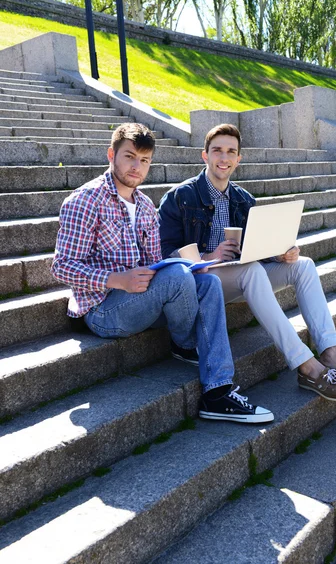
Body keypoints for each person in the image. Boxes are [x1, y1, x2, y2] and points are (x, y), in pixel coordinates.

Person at [51, 122, 273, 424]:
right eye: (129, 157)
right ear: (111, 155)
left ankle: (218, 392)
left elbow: (158, 263)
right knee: (182, 277)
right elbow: (62, 266)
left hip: (144, 299)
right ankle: (185, 343)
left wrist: (194, 265)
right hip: (103, 310)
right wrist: (117, 280)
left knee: (206, 281)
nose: (136, 166)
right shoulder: (84, 201)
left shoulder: (144, 205)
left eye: (144, 160)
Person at [158, 123, 336, 403]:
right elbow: (165, 251)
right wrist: (206, 257)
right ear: (205, 155)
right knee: (250, 271)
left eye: (231, 152)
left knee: (304, 265)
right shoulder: (181, 197)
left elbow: (256, 247)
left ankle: (331, 354)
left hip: (239, 276)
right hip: (202, 281)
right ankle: (307, 367)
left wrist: (279, 253)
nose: (223, 158)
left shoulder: (243, 199)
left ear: (239, 159)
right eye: (217, 151)